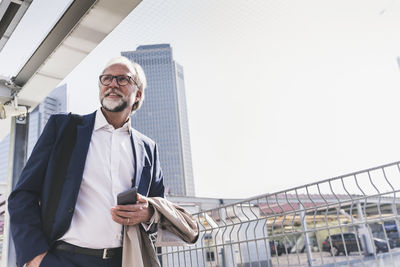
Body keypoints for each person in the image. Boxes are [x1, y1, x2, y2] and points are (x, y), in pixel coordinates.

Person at [8, 56, 165, 267]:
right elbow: (23, 195)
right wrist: (36, 257)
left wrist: (147, 213)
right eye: (106, 79)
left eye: (122, 79)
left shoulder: (148, 148)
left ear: (137, 94)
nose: (112, 84)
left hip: (123, 260)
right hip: (62, 259)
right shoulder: (63, 128)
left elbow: (158, 207)